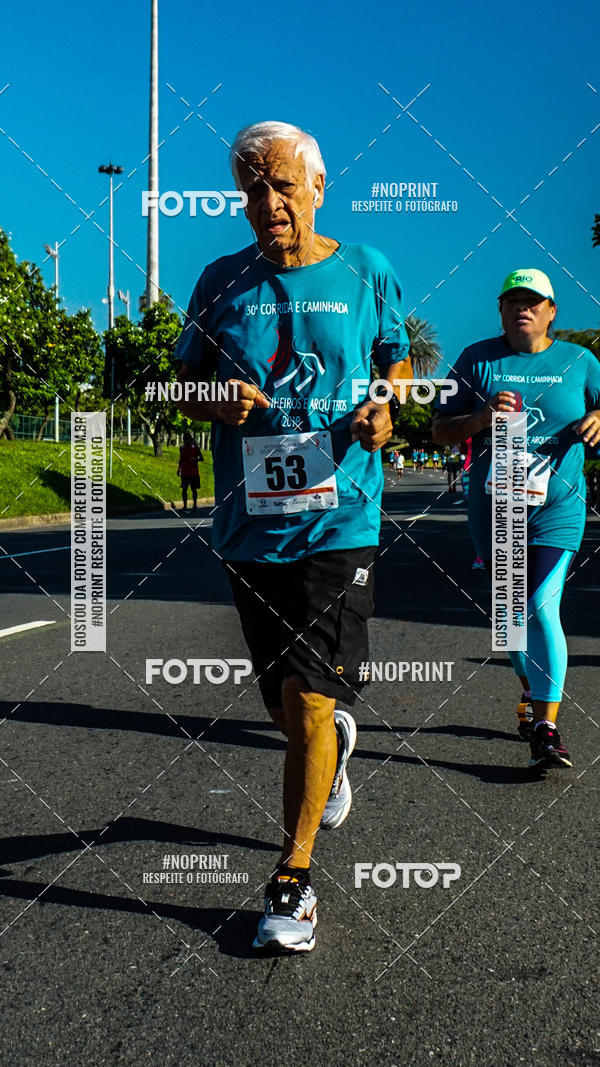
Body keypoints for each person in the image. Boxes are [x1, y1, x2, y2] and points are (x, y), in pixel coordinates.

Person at [174, 120, 411, 952]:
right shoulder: (218, 281)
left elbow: (394, 358)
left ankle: (293, 876)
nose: (266, 204)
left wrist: (387, 406)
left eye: (280, 186)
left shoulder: (365, 269)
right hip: (249, 526)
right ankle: (332, 752)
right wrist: (213, 401)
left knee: (312, 696)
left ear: (318, 186)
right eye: (250, 190)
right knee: (285, 703)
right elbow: (180, 383)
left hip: (340, 516)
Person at [433, 268, 600, 768]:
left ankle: (547, 728)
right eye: (512, 301)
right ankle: (532, 692)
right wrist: (482, 418)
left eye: (533, 301)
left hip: (558, 507)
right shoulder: (474, 361)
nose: (522, 308)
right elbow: (440, 430)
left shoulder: (581, 361)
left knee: (539, 607)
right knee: (509, 621)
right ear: (501, 311)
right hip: (496, 510)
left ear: (551, 312)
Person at [177, 431, 203, 514]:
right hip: (185, 471)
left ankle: (194, 505)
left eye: (187, 439)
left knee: (193, 489)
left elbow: (201, 458)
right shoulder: (182, 448)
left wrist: (194, 459)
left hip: (193, 472)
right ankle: (185, 506)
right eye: (185, 440)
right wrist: (179, 469)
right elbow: (181, 459)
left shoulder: (195, 447)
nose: (186, 441)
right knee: (185, 489)